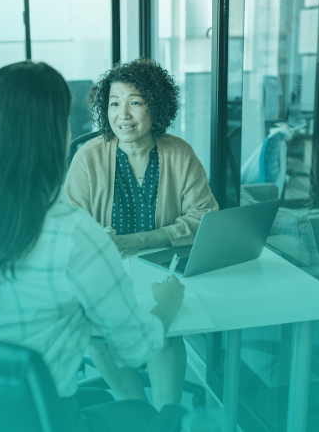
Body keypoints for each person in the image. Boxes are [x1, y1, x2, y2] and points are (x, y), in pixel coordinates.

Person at [0, 61, 185, 432]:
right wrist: (168, 306)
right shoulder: (73, 236)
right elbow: (137, 347)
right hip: (44, 420)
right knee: (142, 415)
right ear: (53, 134)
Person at [64, 58, 218, 410]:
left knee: (163, 334)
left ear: (156, 106)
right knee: (98, 336)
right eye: (115, 104)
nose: (124, 115)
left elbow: (205, 217)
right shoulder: (88, 159)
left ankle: (167, 418)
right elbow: (69, 228)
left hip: (163, 268)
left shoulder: (179, 154)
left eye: (135, 102)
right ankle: (135, 412)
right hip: (105, 272)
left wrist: (142, 240)